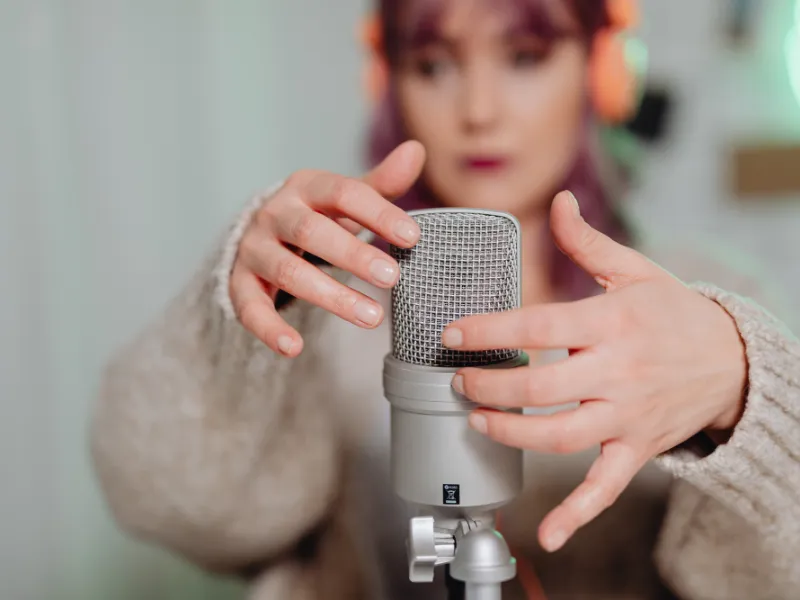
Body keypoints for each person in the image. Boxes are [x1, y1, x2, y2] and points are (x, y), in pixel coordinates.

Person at [90, 0, 800, 598]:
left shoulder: (704, 303)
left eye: (524, 57)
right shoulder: (324, 305)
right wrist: (237, 327)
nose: (478, 111)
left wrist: (747, 395)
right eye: (433, 65)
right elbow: (165, 505)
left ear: (601, 67)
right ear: (389, 80)